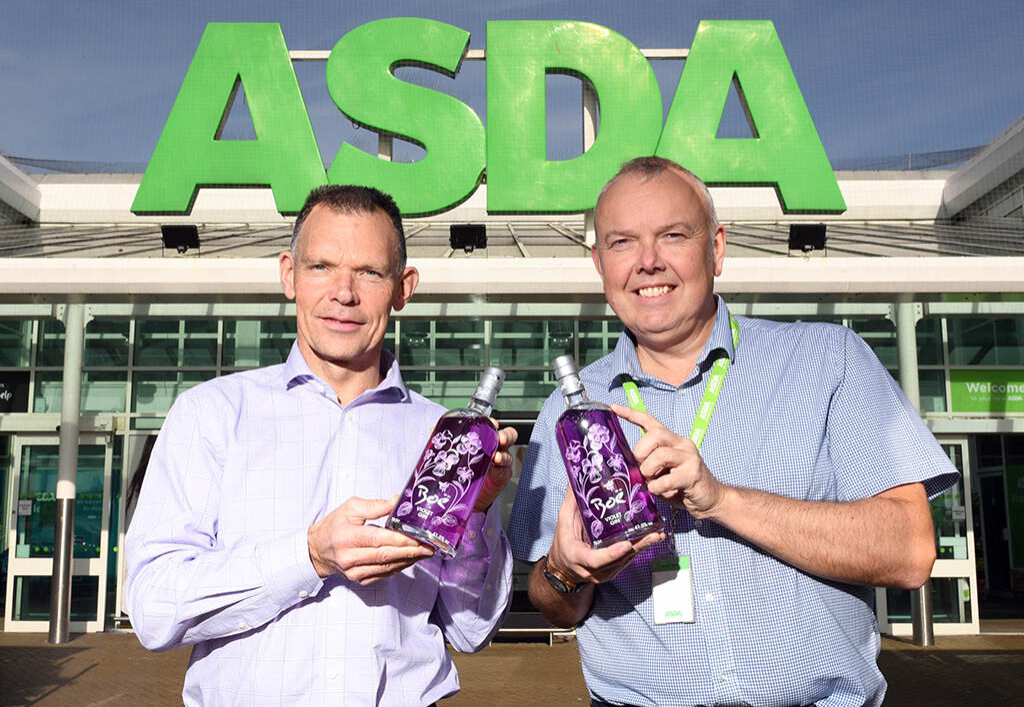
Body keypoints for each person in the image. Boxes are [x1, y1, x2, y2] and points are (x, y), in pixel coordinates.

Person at [508, 156, 958, 707]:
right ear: (600, 263)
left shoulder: (830, 361)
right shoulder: (569, 411)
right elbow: (555, 603)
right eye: (623, 243)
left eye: (672, 235)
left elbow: (910, 552)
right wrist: (563, 571)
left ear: (716, 248)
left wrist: (721, 499)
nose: (648, 262)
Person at [125, 185, 517, 707]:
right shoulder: (211, 415)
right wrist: (309, 556)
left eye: (370, 273)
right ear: (289, 274)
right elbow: (154, 609)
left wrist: (475, 513)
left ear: (404, 288)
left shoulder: (441, 438)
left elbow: (472, 630)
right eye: (321, 267)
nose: (344, 293)